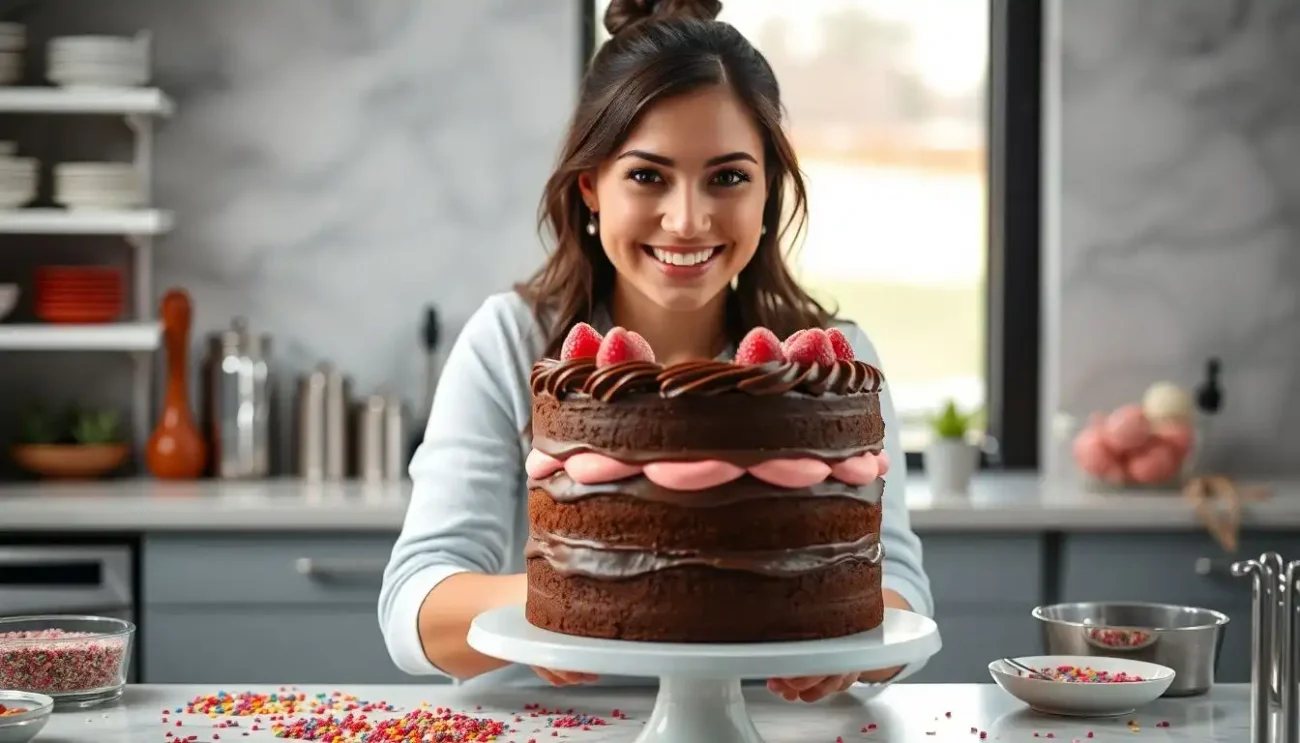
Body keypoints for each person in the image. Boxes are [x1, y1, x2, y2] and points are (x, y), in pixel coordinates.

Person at [379, 0, 933, 703]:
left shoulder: (833, 363)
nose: (688, 219)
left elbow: (900, 590)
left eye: (728, 177)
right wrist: (584, 595)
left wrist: (849, 640)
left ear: (767, 190)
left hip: (768, 722)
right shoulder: (510, 342)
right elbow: (414, 606)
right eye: (648, 176)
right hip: (551, 720)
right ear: (591, 185)